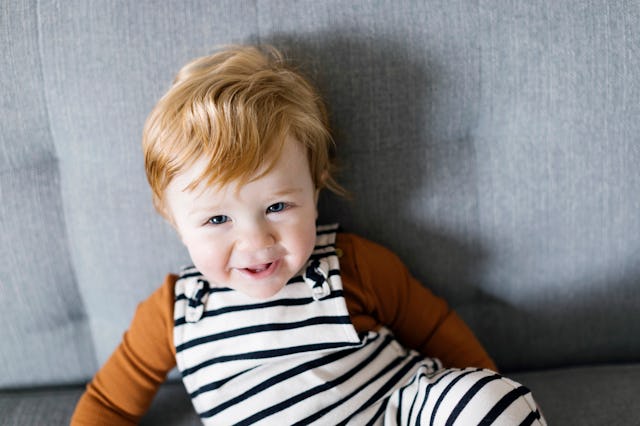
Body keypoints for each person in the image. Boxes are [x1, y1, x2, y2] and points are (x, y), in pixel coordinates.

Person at [71, 45, 545, 425]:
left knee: (489, 402)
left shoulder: (350, 264)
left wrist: (484, 388)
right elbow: (110, 404)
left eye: (277, 206)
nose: (256, 241)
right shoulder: (174, 315)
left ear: (314, 191)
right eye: (218, 220)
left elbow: (437, 328)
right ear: (172, 219)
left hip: (402, 411)